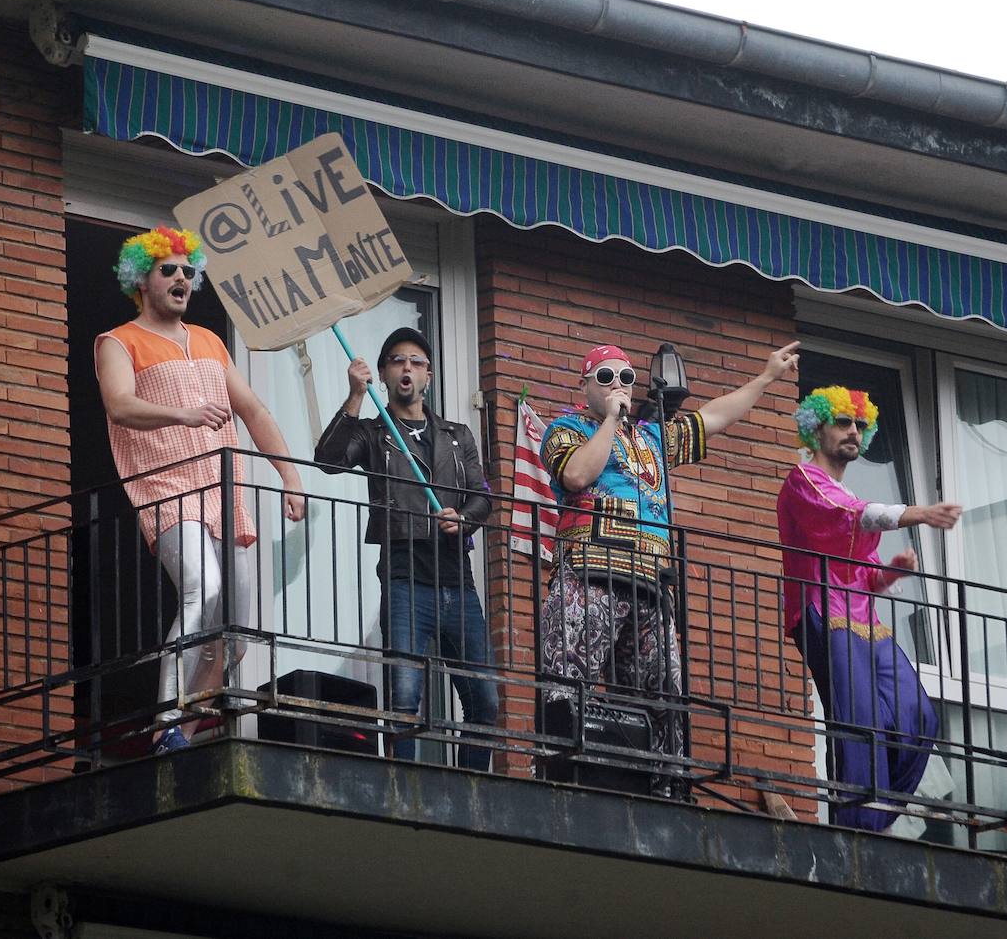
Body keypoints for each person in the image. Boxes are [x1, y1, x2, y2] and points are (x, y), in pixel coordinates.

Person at [540, 341, 799, 786]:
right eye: (605, 378)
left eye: (625, 377)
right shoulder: (566, 428)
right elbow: (577, 476)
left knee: (663, 692)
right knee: (570, 677)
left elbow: (714, 417)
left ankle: (662, 782)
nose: (618, 385)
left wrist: (766, 378)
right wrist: (609, 420)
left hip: (651, 584)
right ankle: (563, 773)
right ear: (586, 386)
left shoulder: (653, 438)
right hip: (590, 571)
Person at [95, 226, 306, 754]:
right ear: (140, 279)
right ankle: (165, 718)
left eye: (189, 271)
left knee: (234, 630)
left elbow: (253, 411)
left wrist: (291, 476)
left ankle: (179, 737)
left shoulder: (209, 341)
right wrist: (185, 414)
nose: (182, 279)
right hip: (166, 489)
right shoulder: (118, 341)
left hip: (221, 491)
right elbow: (120, 405)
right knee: (202, 590)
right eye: (169, 269)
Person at [777, 385, 961, 831]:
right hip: (821, 609)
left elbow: (868, 575)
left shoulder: (845, 493)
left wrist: (893, 572)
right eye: (842, 421)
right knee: (859, 721)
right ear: (815, 427)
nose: (853, 431)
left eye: (860, 424)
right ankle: (857, 824)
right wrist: (919, 513)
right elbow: (850, 514)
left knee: (917, 715)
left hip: (863, 619)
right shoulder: (803, 481)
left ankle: (874, 816)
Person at [314, 327, 497, 771]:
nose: (406, 368)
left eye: (415, 361)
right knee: (405, 699)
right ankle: (406, 789)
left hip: (458, 581)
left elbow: (482, 495)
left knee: (485, 702)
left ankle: (469, 789)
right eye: (397, 361)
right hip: (403, 579)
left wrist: (463, 518)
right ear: (382, 373)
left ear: (429, 375)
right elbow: (328, 460)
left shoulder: (457, 435)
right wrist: (354, 396)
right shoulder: (375, 432)